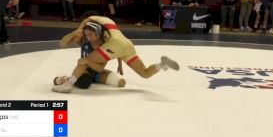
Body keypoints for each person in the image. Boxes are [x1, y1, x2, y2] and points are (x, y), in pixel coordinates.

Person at [51, 15, 180, 93]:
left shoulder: (97, 34)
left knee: (82, 61)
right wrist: (119, 62)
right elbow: (117, 46)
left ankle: (67, 85)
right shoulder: (108, 23)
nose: (87, 35)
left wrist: (79, 29)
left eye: (90, 34)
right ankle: (161, 65)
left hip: (114, 47)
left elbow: (88, 20)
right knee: (144, 73)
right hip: (127, 45)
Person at [52, 22, 126, 91]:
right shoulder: (85, 41)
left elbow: (100, 68)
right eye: (86, 35)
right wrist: (74, 33)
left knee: (121, 82)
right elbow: (62, 43)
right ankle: (68, 84)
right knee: (84, 81)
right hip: (83, 70)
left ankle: (69, 79)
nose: (88, 37)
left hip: (96, 71)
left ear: (98, 34)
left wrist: (120, 65)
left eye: (90, 35)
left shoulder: (105, 47)